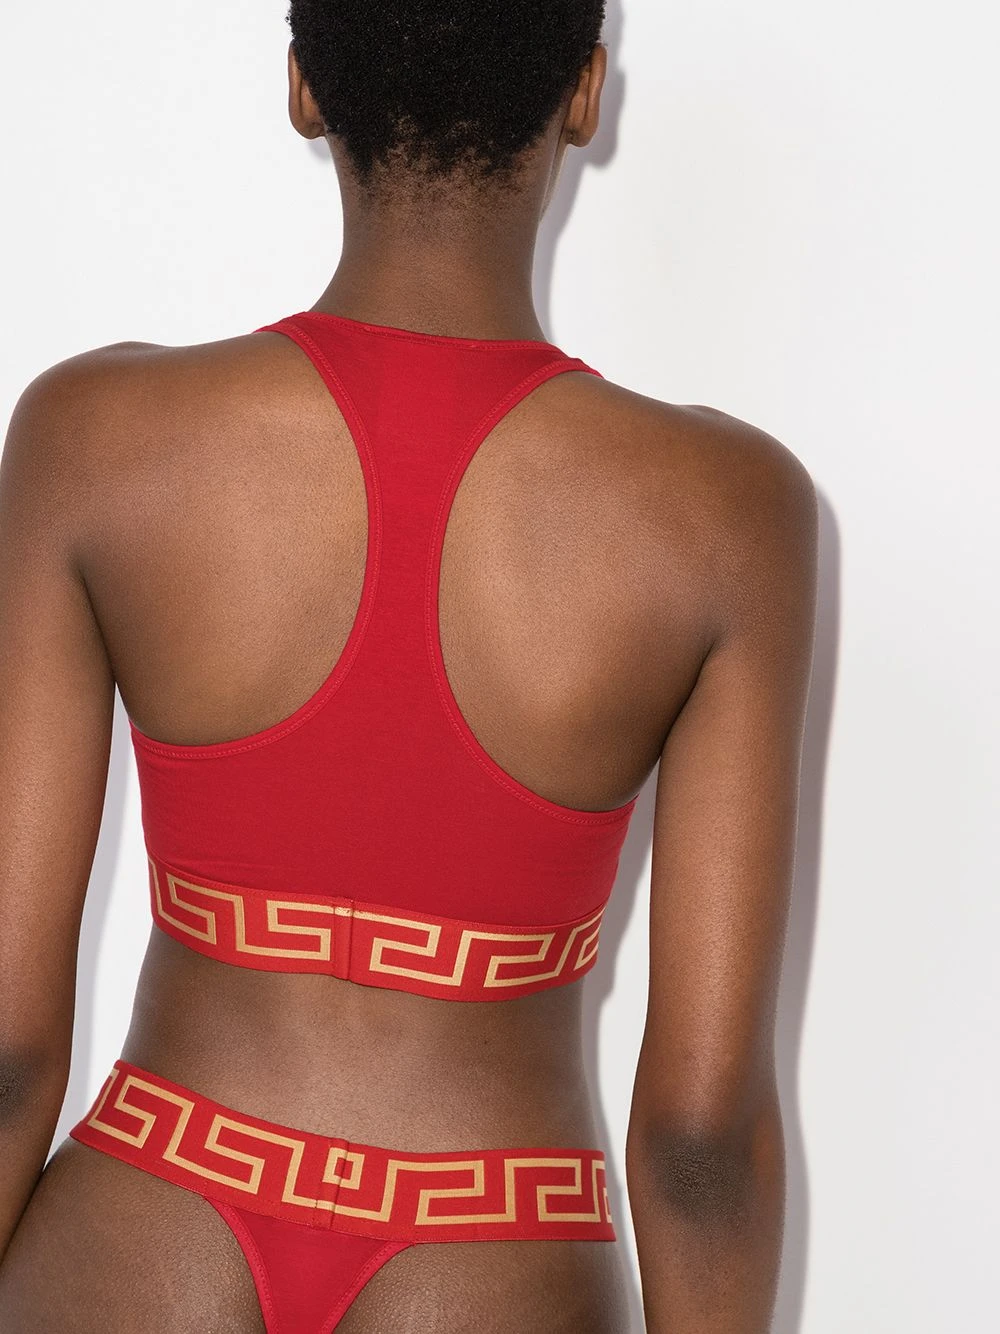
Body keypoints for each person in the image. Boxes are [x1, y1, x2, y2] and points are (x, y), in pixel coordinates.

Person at [0, 3, 819, 1331]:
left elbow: (5, 1040)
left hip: (147, 1222)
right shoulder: (725, 515)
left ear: (304, 88)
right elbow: (703, 1131)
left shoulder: (94, 439)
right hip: (492, 1252)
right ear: (584, 95)